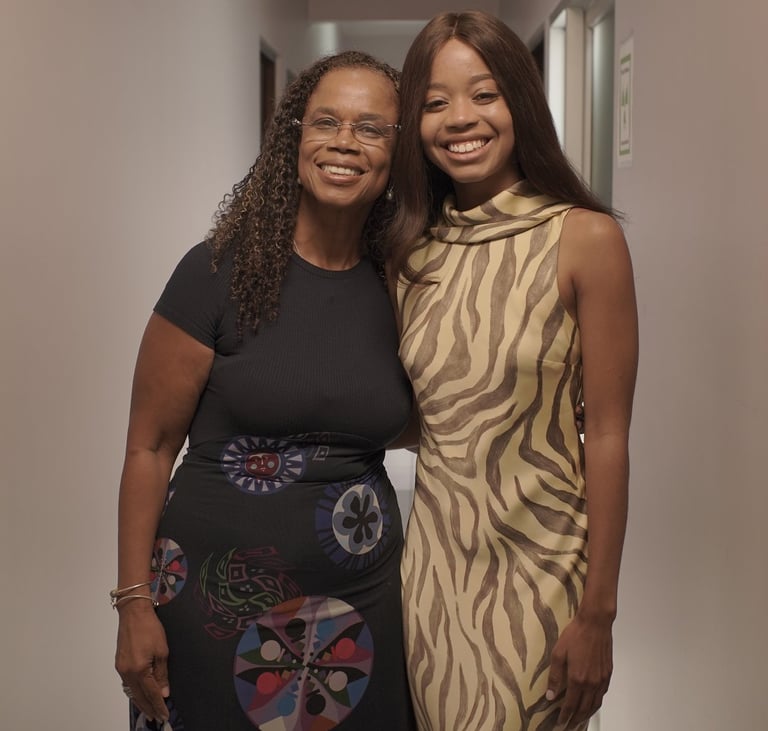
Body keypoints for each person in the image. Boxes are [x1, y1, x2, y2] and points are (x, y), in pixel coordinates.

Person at [113, 50, 417, 731]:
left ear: (398, 153)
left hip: (360, 605)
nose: (345, 142)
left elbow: (408, 415)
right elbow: (149, 448)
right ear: (294, 137)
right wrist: (132, 601)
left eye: (371, 128)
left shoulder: (404, 284)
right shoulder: (217, 271)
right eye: (326, 122)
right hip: (211, 603)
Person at [386, 11, 639, 731]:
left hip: (542, 578)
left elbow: (609, 435)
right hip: (433, 578)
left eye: (484, 94)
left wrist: (599, 613)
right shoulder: (410, 253)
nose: (459, 119)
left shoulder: (584, 239)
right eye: (435, 102)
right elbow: (425, 416)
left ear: (520, 102)